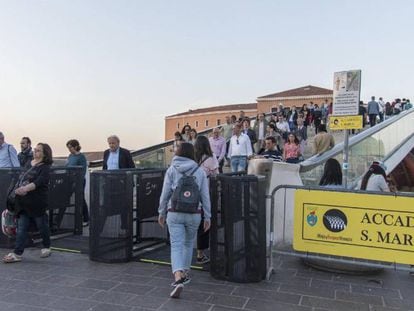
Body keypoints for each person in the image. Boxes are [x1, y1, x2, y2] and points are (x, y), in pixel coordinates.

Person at [158, 143, 211, 298]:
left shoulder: (172, 169)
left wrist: (161, 212)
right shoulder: (199, 171)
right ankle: (185, 272)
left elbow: (165, 193)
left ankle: (178, 277)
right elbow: (205, 196)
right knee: (188, 244)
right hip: (194, 213)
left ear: (178, 153)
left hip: (174, 212)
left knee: (176, 245)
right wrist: (208, 216)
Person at [3, 143, 53, 263]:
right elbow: (22, 178)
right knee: (21, 227)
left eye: (39, 151)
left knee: (42, 226)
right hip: (23, 202)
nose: (35, 152)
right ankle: (17, 253)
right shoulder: (29, 163)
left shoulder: (45, 168)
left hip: (37, 202)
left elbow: (39, 182)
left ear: (45, 154)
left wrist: (25, 189)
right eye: (35, 150)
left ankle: (47, 246)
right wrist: (18, 189)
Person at [194, 136, 218, 265]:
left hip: (191, 195)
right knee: (204, 222)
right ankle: (200, 253)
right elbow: (215, 174)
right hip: (206, 194)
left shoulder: (191, 157)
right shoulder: (210, 157)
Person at [66, 139, 89, 226]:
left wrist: (77, 181)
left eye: (70, 147)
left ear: (76, 147)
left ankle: (86, 218)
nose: (69, 149)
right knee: (65, 197)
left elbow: (82, 170)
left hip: (79, 181)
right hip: (70, 181)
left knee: (81, 199)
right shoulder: (70, 156)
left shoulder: (81, 157)